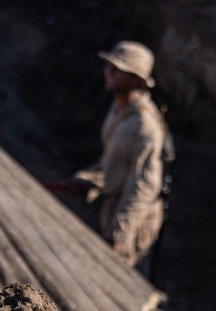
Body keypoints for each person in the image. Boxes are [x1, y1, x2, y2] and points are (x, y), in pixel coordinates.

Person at [51, 41, 172, 275]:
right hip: (114, 205)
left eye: (117, 70)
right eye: (108, 66)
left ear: (136, 80)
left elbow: (144, 186)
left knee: (120, 278)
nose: (108, 72)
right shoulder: (118, 111)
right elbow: (113, 162)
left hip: (135, 218)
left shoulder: (145, 126)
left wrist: (120, 234)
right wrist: (85, 180)